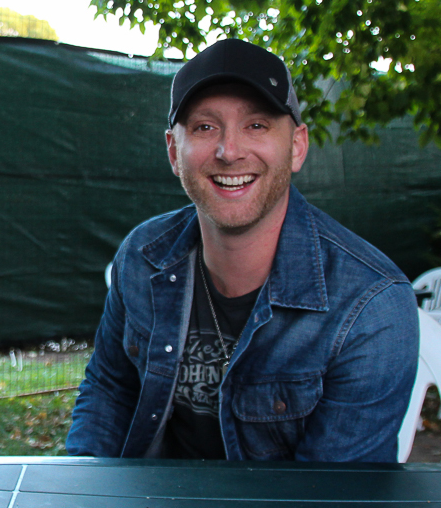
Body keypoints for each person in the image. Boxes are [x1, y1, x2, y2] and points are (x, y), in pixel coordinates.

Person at [66, 38, 418, 462]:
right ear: (174, 152)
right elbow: (110, 388)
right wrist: (82, 483)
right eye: (204, 127)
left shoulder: (372, 307)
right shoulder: (141, 255)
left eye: (257, 125)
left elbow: (332, 496)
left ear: (297, 147)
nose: (229, 152)